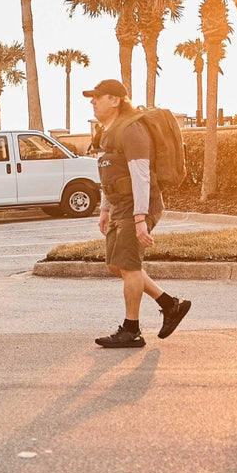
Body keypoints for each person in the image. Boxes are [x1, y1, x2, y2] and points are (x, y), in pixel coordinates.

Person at [86, 79, 192, 348]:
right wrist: (105, 208)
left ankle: (131, 330)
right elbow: (112, 173)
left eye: (99, 96)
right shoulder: (110, 130)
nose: (93, 101)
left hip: (137, 206)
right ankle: (170, 305)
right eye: (92, 97)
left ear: (116, 99)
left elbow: (141, 175)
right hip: (120, 205)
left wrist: (140, 218)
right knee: (115, 265)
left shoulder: (132, 129)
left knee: (130, 267)